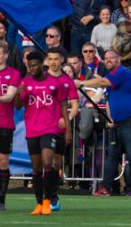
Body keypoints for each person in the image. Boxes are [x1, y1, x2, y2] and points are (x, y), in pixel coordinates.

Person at [79, 49, 131, 198]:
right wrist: (111, 120)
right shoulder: (112, 80)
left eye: (112, 58)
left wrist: (82, 83)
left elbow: (103, 81)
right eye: (106, 58)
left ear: (119, 59)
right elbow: (109, 102)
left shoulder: (122, 72)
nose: (109, 60)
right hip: (118, 124)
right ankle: (106, 187)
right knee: (112, 156)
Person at [15, 51, 69, 215]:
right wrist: (18, 93)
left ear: (41, 64)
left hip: (49, 128)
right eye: (29, 66)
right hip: (32, 129)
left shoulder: (54, 82)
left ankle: (48, 200)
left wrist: (67, 129)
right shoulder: (25, 82)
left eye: (35, 65)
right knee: (36, 168)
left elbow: (63, 106)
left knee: (48, 162)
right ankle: (39, 203)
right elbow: (18, 105)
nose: (32, 68)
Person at [45, 47, 80, 211]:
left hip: (59, 127)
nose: (53, 62)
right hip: (43, 127)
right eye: (50, 59)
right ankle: (48, 197)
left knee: (56, 164)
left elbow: (75, 104)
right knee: (47, 162)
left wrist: (67, 120)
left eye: (55, 59)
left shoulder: (67, 81)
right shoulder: (41, 78)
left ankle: (53, 194)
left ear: (61, 61)